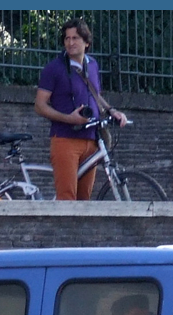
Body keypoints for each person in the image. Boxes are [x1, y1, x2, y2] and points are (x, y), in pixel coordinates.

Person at [35, 18, 127, 201]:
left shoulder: (92, 65)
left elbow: (95, 94)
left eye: (75, 38)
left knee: (84, 200)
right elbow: (39, 105)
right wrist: (69, 119)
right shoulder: (54, 69)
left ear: (86, 42)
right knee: (67, 200)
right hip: (65, 139)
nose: (70, 43)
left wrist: (111, 110)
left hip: (91, 140)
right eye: (67, 38)